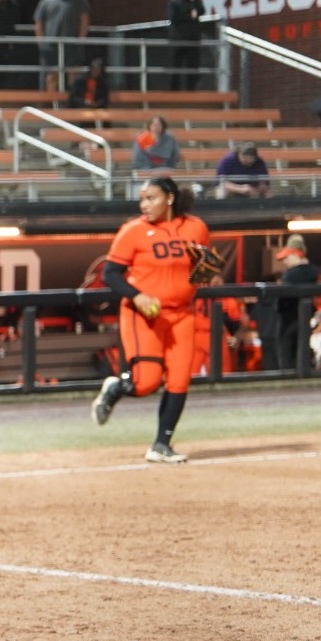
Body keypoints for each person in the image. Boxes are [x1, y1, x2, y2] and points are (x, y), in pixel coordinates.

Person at [90, 177, 212, 463]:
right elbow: (110, 274)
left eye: (151, 198)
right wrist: (137, 296)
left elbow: (205, 267)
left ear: (169, 198)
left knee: (179, 381)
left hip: (182, 314)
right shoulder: (133, 231)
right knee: (146, 382)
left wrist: (194, 282)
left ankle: (161, 445)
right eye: (142, 199)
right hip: (143, 315)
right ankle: (115, 388)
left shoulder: (196, 227)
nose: (144, 205)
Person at [266, 235, 321, 373]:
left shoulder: (291, 274)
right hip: (304, 320)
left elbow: (281, 303)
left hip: (288, 322)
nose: (284, 261)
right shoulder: (312, 271)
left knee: (287, 359)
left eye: (287, 257)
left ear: (296, 254)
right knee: (303, 355)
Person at [34, 0, 91, 92]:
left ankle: (74, 100)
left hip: (72, 44)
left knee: (74, 74)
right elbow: (38, 23)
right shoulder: (45, 2)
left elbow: (84, 19)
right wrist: (41, 42)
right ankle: (53, 101)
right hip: (51, 45)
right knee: (52, 76)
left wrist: (82, 38)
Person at [167, 0, 206, 91]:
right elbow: (174, 17)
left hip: (193, 38)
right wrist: (189, 16)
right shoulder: (174, 1)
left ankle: (191, 89)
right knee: (177, 65)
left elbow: (202, 10)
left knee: (193, 65)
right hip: (179, 39)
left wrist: (193, 0)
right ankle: (175, 90)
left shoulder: (194, 1)